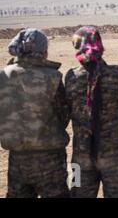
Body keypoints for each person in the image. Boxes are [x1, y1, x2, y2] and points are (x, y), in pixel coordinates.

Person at [65, 26, 118, 198]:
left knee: (78, 194)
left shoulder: (71, 78)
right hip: (115, 156)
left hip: (81, 157)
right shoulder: (117, 75)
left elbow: (64, 112)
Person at [0, 29, 70, 198]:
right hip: (51, 159)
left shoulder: (3, 76)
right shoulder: (52, 77)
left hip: (17, 159)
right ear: (42, 51)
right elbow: (64, 116)